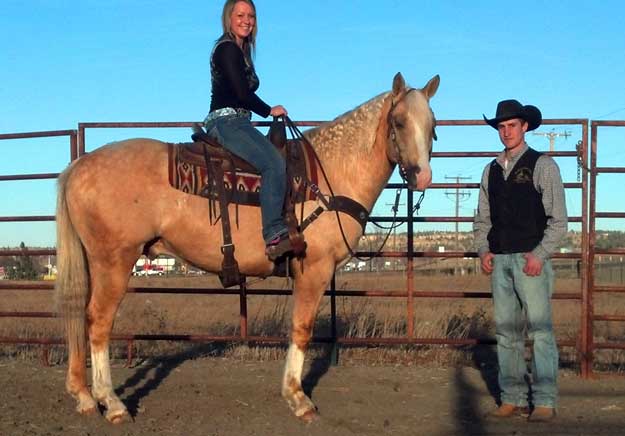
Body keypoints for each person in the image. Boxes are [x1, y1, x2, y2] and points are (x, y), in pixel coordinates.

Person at [474, 99, 568, 422]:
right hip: (500, 261)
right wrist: (484, 252)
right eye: (501, 127)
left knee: (540, 332)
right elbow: (482, 220)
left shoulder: (543, 166)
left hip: (531, 262)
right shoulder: (490, 171)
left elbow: (559, 221)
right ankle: (511, 396)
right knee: (506, 333)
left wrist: (539, 256)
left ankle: (544, 399)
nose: (506, 132)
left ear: (525, 126)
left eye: (512, 125)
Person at [203, 0, 292, 260]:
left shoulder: (240, 50)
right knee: (274, 164)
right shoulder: (228, 50)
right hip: (227, 122)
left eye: (251, 16)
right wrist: (269, 110)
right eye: (240, 15)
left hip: (238, 121)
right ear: (228, 18)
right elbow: (241, 93)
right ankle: (274, 233)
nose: (246, 20)